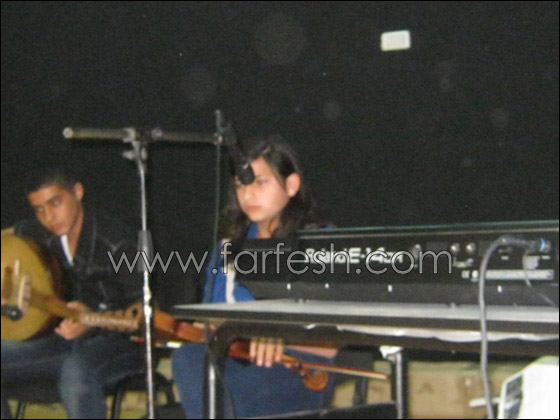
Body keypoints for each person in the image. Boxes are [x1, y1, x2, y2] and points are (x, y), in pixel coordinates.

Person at [172, 135, 338, 418]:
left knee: (225, 398)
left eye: (260, 183)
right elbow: (211, 321)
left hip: (296, 367)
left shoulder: (320, 243)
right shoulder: (227, 247)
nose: (248, 195)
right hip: (235, 360)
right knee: (187, 357)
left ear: (291, 185)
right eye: (240, 185)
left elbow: (330, 344)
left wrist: (279, 336)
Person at [1, 167, 145, 419]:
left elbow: (142, 312)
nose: (49, 217)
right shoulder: (43, 231)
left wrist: (92, 320)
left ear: (77, 192)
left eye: (55, 203)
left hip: (121, 344)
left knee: (76, 371)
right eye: (39, 209)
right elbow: (10, 234)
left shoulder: (118, 242)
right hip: (63, 341)